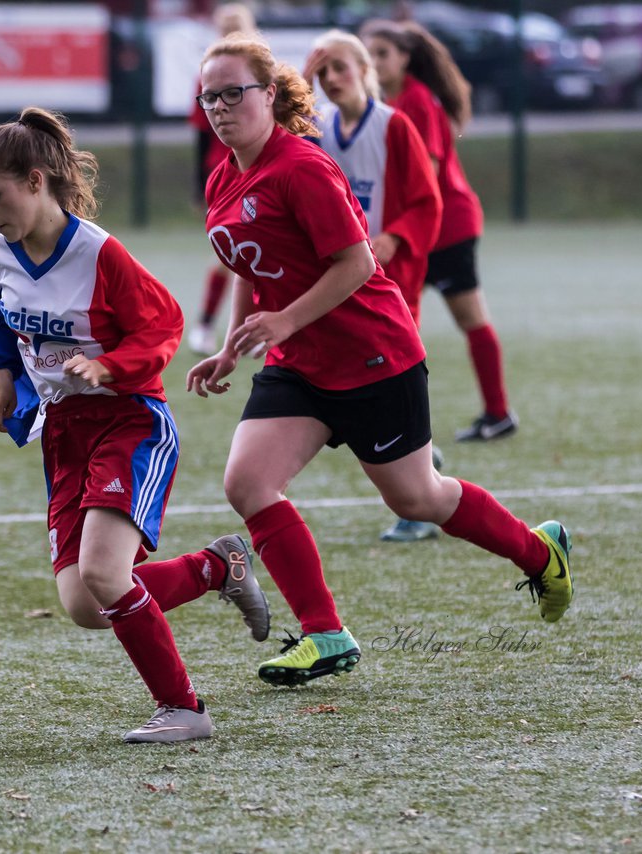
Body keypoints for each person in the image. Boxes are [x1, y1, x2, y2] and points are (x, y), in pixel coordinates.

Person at [186, 35, 574, 687]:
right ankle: (325, 634)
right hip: (300, 363)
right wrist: (231, 346)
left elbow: (359, 262)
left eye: (234, 93)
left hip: (374, 355)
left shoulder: (301, 167)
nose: (220, 108)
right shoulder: (224, 173)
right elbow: (244, 266)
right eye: (209, 97)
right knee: (247, 483)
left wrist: (283, 319)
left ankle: (540, 553)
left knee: (419, 498)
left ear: (270, 95)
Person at [0, 107, 271, 744]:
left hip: (130, 422)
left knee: (107, 577)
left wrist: (112, 365)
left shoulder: (98, 252)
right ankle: (218, 568)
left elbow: (163, 325)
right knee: (84, 604)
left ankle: (184, 710)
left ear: (35, 182)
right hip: (64, 432)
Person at [303, 29, 446, 542]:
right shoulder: (317, 129)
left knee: (390, 381)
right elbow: (277, 144)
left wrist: (395, 238)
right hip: (342, 283)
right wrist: (300, 82)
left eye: (340, 67)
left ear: (366, 70)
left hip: (391, 282)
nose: (332, 79)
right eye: (322, 73)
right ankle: (423, 463)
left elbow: (428, 203)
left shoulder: (394, 126)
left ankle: (417, 501)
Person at [362, 19, 518, 443]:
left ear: (405, 58)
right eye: (368, 53)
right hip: (406, 230)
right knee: (393, 326)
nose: (373, 63)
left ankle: (497, 413)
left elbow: (424, 179)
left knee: (468, 319)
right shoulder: (377, 103)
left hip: (444, 227)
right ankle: (396, 422)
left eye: (382, 54)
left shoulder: (417, 102)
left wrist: (393, 229)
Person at [187, 2, 258, 355]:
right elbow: (201, 135)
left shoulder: (261, 77)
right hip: (226, 176)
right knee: (232, 253)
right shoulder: (208, 76)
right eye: (226, 30)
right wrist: (198, 183)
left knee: (265, 248)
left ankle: (257, 326)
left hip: (262, 174)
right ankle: (205, 325)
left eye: (238, 30)